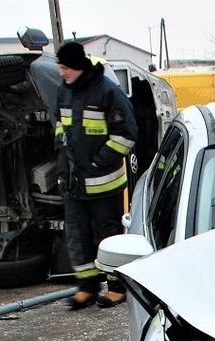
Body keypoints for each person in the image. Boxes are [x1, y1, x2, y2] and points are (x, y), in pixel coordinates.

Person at [54, 41, 138, 310]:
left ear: (78, 66)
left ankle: (116, 287)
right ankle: (87, 287)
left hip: (104, 183)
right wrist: (63, 160)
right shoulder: (64, 93)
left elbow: (126, 135)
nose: (62, 73)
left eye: (66, 67)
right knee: (76, 235)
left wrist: (95, 162)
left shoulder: (107, 92)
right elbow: (59, 127)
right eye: (61, 67)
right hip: (74, 183)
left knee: (108, 236)